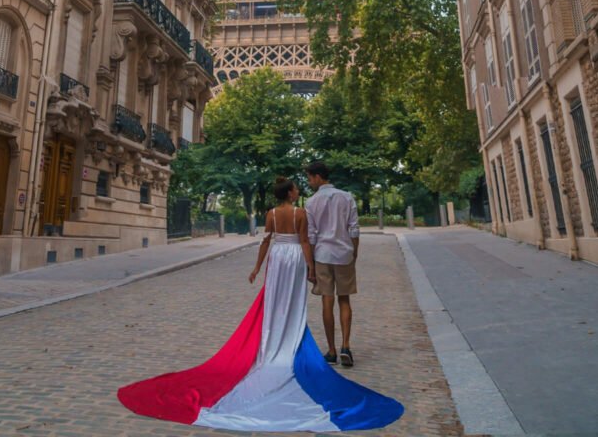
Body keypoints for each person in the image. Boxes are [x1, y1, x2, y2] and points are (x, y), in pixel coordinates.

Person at [117, 175, 403, 432]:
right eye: (295, 189)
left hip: (278, 256)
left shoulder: (271, 214)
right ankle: (290, 334)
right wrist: (311, 268)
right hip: (294, 256)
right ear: (290, 193)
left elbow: (266, 241)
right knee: (294, 301)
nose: (298, 191)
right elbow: (305, 242)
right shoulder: (301, 213)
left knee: (275, 298)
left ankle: (273, 334)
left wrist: (257, 267)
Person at [306, 160, 359, 368]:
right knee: (344, 299)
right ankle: (346, 346)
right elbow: (354, 228)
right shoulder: (347, 197)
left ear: (318, 177)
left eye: (310, 178)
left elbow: (311, 235)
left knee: (326, 301)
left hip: (322, 254)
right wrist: (354, 251)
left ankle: (331, 350)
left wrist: (310, 262)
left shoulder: (311, 202)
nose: (309, 182)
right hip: (344, 253)